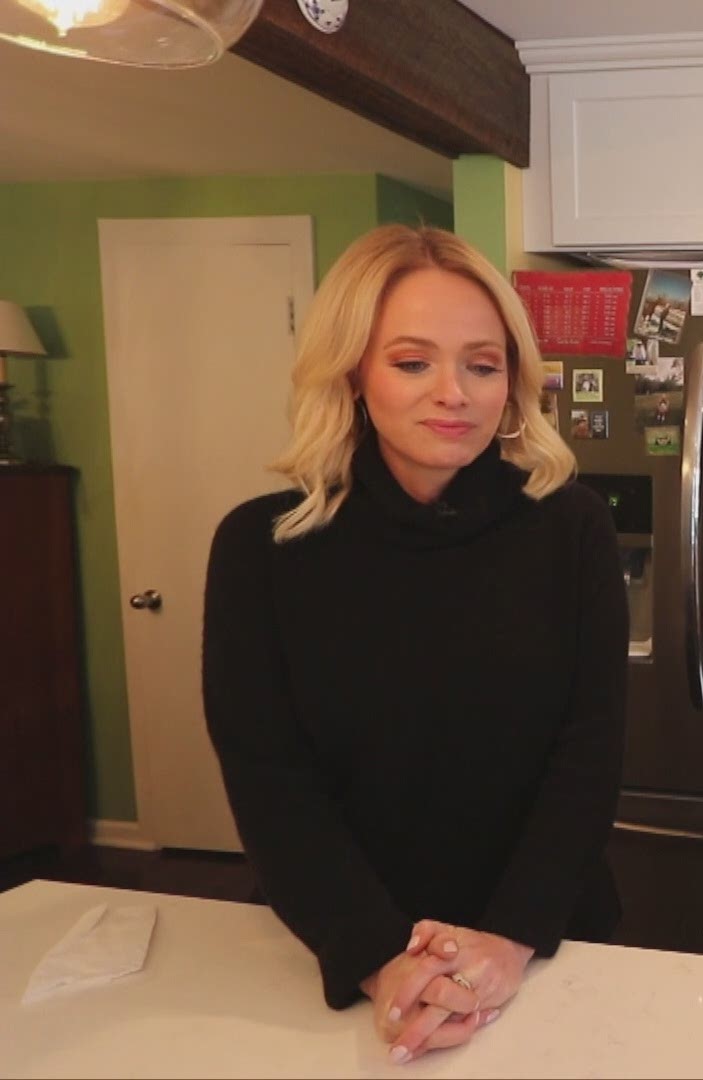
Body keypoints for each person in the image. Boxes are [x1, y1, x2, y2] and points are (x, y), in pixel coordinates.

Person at [202, 225, 627, 1065]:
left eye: (482, 363)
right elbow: (268, 778)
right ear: (353, 373)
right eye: (411, 362)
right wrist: (378, 960)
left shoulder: (570, 529)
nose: (455, 394)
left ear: (512, 383)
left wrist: (506, 941)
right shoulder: (261, 548)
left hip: (542, 951)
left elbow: (587, 755)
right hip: (339, 954)